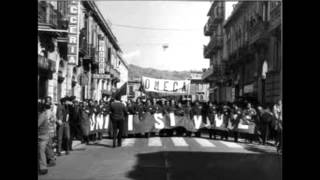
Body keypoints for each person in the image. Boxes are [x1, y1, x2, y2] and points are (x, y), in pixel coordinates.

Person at [38, 96, 55, 175]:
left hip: (43, 135)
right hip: (45, 133)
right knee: (46, 148)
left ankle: (43, 167)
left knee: (42, 150)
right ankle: (50, 161)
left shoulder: (43, 114)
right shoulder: (44, 113)